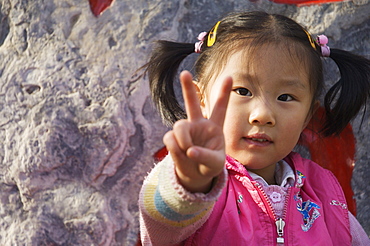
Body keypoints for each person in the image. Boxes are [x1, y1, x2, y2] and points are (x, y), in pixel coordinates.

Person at [139, 11, 370, 245]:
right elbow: (161, 221)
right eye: (242, 91)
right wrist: (192, 183)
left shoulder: (324, 196)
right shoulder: (189, 175)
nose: (263, 115)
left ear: (308, 115)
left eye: (286, 97)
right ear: (202, 101)